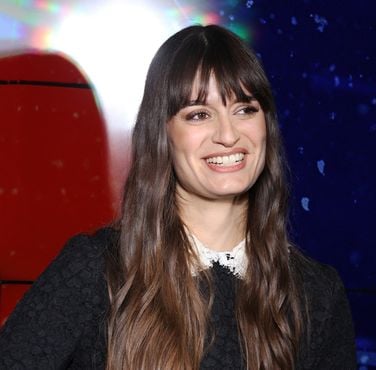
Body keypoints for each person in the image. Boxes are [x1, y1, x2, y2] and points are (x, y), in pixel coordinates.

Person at [0, 24, 356, 369]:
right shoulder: (96, 271)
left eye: (245, 108)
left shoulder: (315, 293)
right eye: (199, 114)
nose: (228, 134)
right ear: (162, 134)